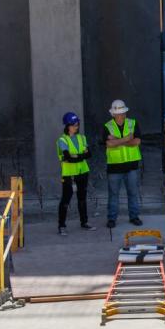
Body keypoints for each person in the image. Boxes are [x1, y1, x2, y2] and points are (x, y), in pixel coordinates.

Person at [102, 99, 142, 229]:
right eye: (118, 114)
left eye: (122, 113)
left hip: (132, 166)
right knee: (113, 195)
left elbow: (136, 142)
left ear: (125, 113)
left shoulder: (133, 123)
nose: (120, 116)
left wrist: (117, 141)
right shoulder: (107, 126)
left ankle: (134, 216)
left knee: (133, 193)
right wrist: (126, 139)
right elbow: (108, 144)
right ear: (113, 114)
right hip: (114, 167)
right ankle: (112, 219)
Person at [57, 112, 95, 236]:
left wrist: (76, 156)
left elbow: (89, 154)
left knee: (82, 199)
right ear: (67, 125)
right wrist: (80, 156)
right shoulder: (62, 140)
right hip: (69, 175)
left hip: (83, 172)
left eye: (77, 125)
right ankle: (62, 226)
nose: (76, 127)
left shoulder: (82, 138)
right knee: (66, 200)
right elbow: (68, 158)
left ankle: (84, 222)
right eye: (73, 125)